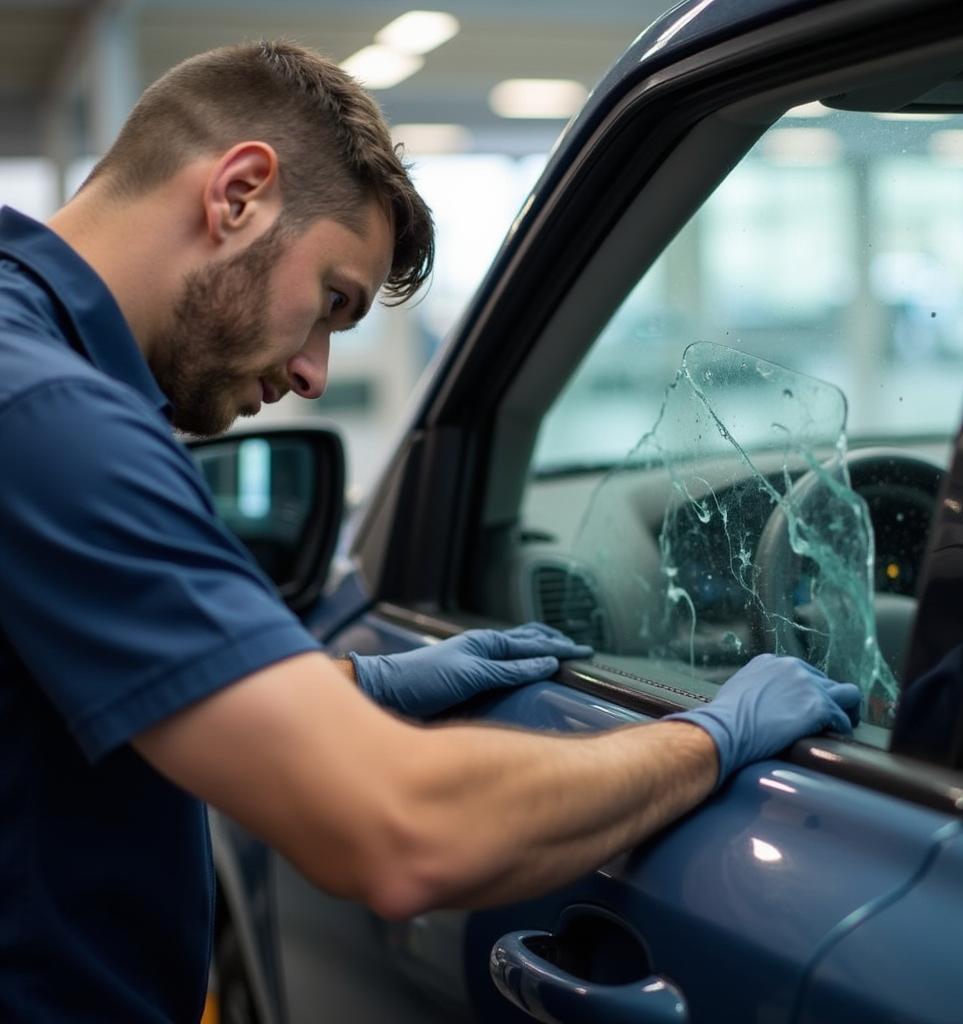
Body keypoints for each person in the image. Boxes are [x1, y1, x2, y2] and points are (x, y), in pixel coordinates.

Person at [0, 40, 861, 1022]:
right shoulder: (50, 419)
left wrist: (355, 681)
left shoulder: (36, 375)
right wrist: (710, 736)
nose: (315, 373)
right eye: (331, 302)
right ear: (238, 192)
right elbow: (400, 831)